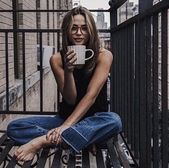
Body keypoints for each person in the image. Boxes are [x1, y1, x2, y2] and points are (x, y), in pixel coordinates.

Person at [7, 6, 122, 161]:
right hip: (65, 118)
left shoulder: (104, 56)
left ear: (91, 31)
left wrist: (64, 128)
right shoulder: (56, 59)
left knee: (114, 121)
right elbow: (70, 99)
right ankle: (81, 139)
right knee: (14, 128)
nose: (79, 33)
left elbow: (91, 96)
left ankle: (43, 141)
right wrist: (68, 71)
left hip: (94, 120)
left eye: (84, 28)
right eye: (74, 28)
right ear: (67, 30)